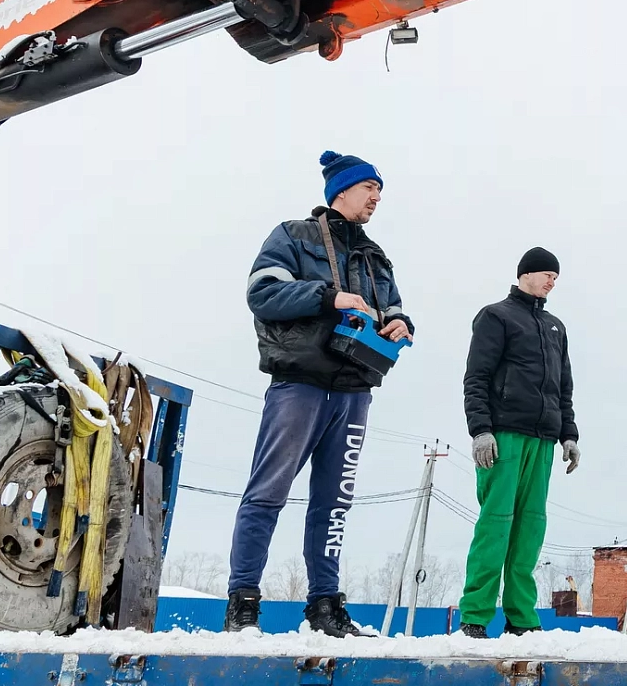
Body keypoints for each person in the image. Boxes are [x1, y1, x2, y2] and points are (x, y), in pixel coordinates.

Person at [223, 151, 414, 637]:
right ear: (342, 191)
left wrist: (399, 323)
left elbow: (393, 306)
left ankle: (325, 605)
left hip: (354, 389)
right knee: (268, 492)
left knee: (335, 502)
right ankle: (243, 600)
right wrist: (329, 297)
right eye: (371, 187)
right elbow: (261, 294)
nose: (377, 198)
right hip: (299, 385)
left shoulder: (376, 256)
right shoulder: (293, 236)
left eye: (380, 191)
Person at [457, 247, 580, 638]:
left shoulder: (555, 326)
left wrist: (570, 435)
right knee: (495, 526)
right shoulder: (497, 316)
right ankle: (475, 615)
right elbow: (476, 377)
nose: (551, 282)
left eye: (556, 278)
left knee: (530, 530)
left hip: (543, 440)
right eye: (547, 274)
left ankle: (521, 618)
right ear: (525, 274)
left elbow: (564, 389)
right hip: (503, 437)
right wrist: (481, 430)